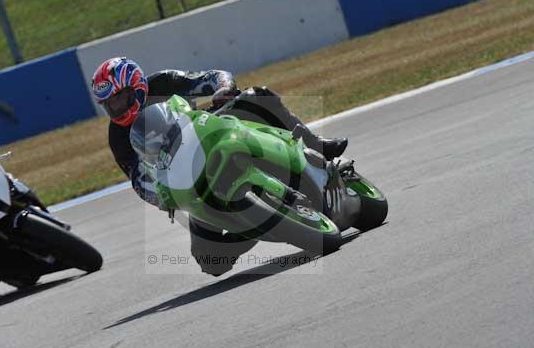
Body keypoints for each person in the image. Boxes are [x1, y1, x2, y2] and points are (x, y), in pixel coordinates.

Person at [91, 57, 348, 275]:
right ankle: (256, 226)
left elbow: (213, 76)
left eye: (118, 99)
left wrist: (223, 88)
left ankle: (315, 144)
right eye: (109, 105)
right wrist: (161, 197)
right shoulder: (118, 137)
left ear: (135, 87)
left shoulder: (163, 82)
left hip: (212, 132)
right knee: (211, 261)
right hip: (190, 177)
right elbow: (139, 181)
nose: (115, 108)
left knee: (257, 95)